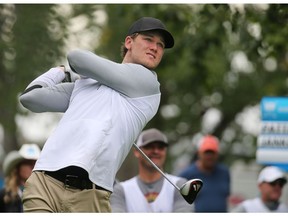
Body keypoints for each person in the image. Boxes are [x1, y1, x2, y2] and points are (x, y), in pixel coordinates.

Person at [19, 17, 174, 213]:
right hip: (44, 182)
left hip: (90, 195)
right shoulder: (85, 84)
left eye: (160, 45)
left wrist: (77, 73)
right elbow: (31, 98)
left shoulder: (149, 84)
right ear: (129, 42)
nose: (155, 47)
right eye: (149, 39)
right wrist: (58, 72)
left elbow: (77, 59)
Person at [110, 128, 193, 212]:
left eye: (161, 147)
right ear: (136, 152)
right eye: (149, 146)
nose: (156, 151)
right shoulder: (120, 190)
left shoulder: (180, 186)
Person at [179, 134, 230, 212]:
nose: (209, 156)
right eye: (206, 152)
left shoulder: (224, 172)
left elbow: (226, 196)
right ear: (199, 153)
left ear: (217, 154)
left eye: (212, 152)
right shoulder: (186, 175)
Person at [0, 144, 41, 212]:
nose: (33, 167)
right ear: (18, 167)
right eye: (28, 163)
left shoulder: (45, 195)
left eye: (36, 163)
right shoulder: (4, 195)